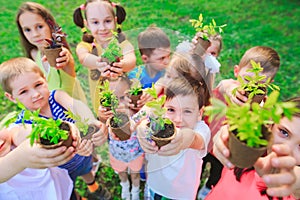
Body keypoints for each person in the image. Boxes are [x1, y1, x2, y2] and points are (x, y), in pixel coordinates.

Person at [0, 57, 110, 200]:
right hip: (60, 169)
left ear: (45, 79)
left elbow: (76, 105)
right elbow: (25, 138)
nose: (35, 94)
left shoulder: (56, 97)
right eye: (23, 92)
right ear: (12, 97)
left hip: (83, 152)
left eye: (38, 84)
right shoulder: (24, 122)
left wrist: (90, 121)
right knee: (68, 187)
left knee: (86, 170)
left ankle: (93, 185)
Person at [198, 46, 281, 199]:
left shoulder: (265, 110)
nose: (252, 87)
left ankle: (208, 187)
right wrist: (227, 88)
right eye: (248, 80)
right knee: (199, 166)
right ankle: (196, 184)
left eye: (260, 84)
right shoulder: (228, 89)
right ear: (237, 71)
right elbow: (217, 92)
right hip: (207, 142)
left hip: (228, 151)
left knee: (217, 171)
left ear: (270, 83)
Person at [208, 96, 300, 199]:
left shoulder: (295, 185)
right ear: (271, 126)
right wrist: (225, 138)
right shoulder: (248, 146)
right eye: (284, 132)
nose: (286, 148)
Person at [136, 76, 211, 199]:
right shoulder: (158, 123)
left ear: (199, 113)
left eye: (187, 111)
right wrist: (142, 127)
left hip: (181, 194)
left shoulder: (201, 129)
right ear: (162, 108)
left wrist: (182, 139)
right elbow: (142, 122)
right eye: (171, 110)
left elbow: (194, 139)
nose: (178, 119)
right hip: (154, 185)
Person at [16, 2, 87, 103]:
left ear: (50, 26)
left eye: (40, 27)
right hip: (53, 115)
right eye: (27, 29)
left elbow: (64, 57)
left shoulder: (61, 53)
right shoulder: (34, 54)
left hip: (75, 113)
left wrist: (64, 57)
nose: (35, 34)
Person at [73, 0, 136, 112]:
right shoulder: (86, 46)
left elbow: (131, 59)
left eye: (107, 21)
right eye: (95, 22)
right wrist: (98, 62)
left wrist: (122, 65)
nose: (102, 27)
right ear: (87, 24)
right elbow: (83, 58)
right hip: (101, 106)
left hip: (125, 103)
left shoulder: (122, 45)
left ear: (115, 21)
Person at [98, 76, 144, 200]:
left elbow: (143, 117)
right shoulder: (107, 115)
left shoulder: (135, 111)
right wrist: (102, 117)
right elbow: (101, 129)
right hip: (117, 153)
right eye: (113, 99)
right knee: (121, 172)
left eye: (123, 98)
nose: (118, 104)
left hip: (135, 153)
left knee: (135, 173)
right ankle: (124, 185)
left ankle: (135, 190)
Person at [0, 128, 75, 200]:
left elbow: (22, 132)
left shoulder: (12, 136)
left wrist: (59, 130)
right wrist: (19, 158)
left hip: (61, 188)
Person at [128, 25, 171, 89]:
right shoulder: (136, 75)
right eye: (162, 58)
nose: (167, 61)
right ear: (145, 59)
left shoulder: (168, 72)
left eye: (169, 56)